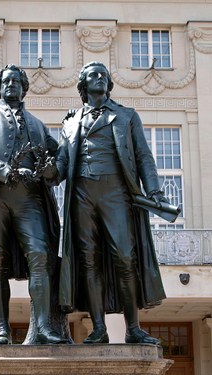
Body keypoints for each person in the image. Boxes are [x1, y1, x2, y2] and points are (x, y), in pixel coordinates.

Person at [54, 61, 167, 344]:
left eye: (104, 74)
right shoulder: (71, 121)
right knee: (89, 261)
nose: (100, 78)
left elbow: (143, 156)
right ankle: (99, 329)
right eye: (93, 75)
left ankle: (133, 328)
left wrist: (153, 190)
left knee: (125, 258)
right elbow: (61, 164)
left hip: (116, 192)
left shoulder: (126, 116)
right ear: (83, 84)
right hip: (82, 194)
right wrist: (45, 172)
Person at [0, 64, 66, 345]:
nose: (11, 85)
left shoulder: (38, 125)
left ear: (24, 88)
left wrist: (52, 171)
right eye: (6, 81)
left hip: (30, 199)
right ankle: (2, 329)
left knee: (41, 256)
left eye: (16, 81)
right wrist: (7, 170)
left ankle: (45, 327)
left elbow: (60, 156)